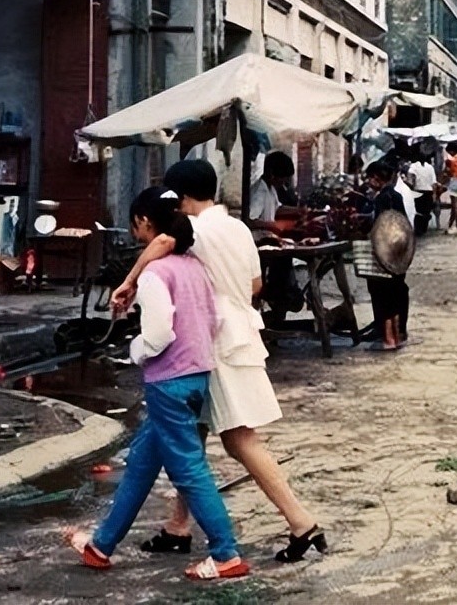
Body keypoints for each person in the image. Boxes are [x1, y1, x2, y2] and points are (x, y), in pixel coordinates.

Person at [112, 160, 326, 565]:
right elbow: (255, 284)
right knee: (192, 435)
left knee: (240, 439)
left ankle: (301, 523)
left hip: (216, 342)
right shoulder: (237, 227)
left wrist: (130, 281)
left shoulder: (196, 230)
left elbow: (158, 245)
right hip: (240, 332)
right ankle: (178, 527)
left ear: (180, 198)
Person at [67, 187, 249, 582]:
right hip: (197, 374)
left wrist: (136, 350)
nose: (135, 234)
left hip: (169, 381)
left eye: (136, 227)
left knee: (189, 470)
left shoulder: (155, 272)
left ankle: (225, 553)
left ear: (146, 223)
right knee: (141, 465)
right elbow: (211, 319)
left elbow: (159, 333)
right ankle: (101, 545)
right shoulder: (194, 266)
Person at [358, 159, 411, 349]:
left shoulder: (382, 199)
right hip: (399, 253)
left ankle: (388, 340)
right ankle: (398, 336)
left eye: (370, 178)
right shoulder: (395, 196)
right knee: (397, 292)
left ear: (376, 179)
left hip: (385, 254)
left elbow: (382, 227)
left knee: (384, 295)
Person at [406, 147, 438, 233]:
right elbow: (434, 183)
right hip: (429, 192)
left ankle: (418, 228)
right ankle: (424, 228)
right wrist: (434, 196)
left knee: (418, 211)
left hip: (418, 191)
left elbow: (411, 178)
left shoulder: (414, 166)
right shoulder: (430, 167)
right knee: (426, 211)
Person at [442, 142, 457, 234]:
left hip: (454, 182)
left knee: (455, 206)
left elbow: (449, 172)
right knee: (454, 206)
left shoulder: (453, 160)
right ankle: (450, 225)